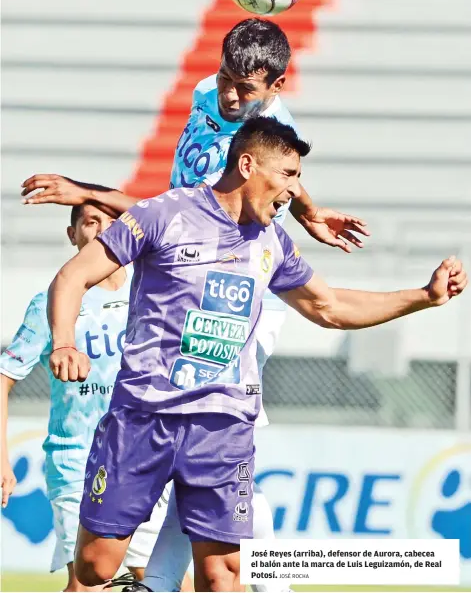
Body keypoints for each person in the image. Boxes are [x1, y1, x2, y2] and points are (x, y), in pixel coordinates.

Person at [21, 18, 370, 592]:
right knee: (195, 446)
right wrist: (311, 211)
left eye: (247, 89)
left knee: (216, 433)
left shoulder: (262, 139)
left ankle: (264, 581)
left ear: (277, 86)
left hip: (236, 288)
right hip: (183, 282)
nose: (231, 94)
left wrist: (83, 190)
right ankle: (158, 582)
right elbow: (181, 209)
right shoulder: (209, 95)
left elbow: (183, 213)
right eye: (226, 78)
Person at [45, 118, 467, 592]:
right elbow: (71, 277)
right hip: (144, 416)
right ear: (247, 165)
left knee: (222, 574)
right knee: (95, 568)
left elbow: (329, 307)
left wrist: (422, 297)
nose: (293, 189)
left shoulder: (271, 241)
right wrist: (64, 342)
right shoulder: (164, 215)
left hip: (223, 426)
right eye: (287, 174)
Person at [0, 203, 180, 592]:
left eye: (111, 222)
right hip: (76, 457)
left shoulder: (152, 290)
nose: (101, 230)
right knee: (86, 583)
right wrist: (2, 457)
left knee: (163, 581)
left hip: (144, 455)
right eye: (90, 222)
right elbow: (4, 376)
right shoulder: (54, 302)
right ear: (73, 236)